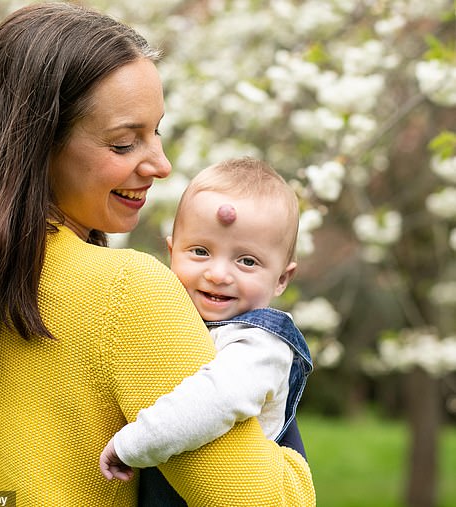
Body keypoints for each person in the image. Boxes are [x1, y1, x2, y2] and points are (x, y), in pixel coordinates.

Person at [0, 3, 315, 506]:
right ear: (37, 146)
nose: (160, 165)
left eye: (155, 131)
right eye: (123, 144)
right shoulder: (125, 292)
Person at [100, 157, 313, 485]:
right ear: (172, 252)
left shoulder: (260, 345)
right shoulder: (170, 315)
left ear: (282, 279)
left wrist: (132, 445)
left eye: (246, 261)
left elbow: (214, 400)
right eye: (200, 252)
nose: (217, 274)